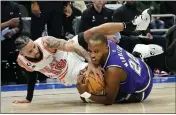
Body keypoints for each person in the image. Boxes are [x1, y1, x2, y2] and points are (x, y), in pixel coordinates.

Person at [13, 8, 151, 104]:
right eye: (30, 52)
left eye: (34, 47)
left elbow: (72, 46)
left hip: (71, 52)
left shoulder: (46, 42)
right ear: (22, 54)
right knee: (100, 76)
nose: (35, 51)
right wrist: (28, 98)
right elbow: (32, 73)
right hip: (69, 72)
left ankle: (131, 25)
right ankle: (137, 56)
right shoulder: (22, 61)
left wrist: (90, 61)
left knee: (91, 33)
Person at [76, 34, 153, 105]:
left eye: (96, 51)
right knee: (96, 72)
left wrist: (84, 93)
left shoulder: (113, 70)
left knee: (86, 98)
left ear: (106, 48)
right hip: (142, 67)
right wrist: (90, 65)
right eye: (90, 51)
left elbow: (109, 100)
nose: (92, 55)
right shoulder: (109, 43)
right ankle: (137, 54)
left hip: (142, 89)